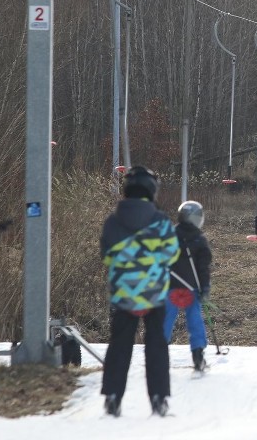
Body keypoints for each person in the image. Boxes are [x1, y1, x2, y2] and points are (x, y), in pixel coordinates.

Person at [100, 166, 180, 418]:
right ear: (151, 190)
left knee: (120, 343)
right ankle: (158, 398)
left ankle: (113, 397)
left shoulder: (113, 222)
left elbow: (107, 257)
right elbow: (172, 254)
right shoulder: (161, 221)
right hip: (154, 293)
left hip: (124, 294)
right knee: (156, 343)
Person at [163, 200, 212, 373]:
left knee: (166, 319)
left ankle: (159, 353)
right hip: (191, 288)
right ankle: (198, 355)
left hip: (171, 287)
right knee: (194, 319)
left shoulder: (170, 235)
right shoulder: (199, 240)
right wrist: (205, 288)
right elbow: (203, 268)